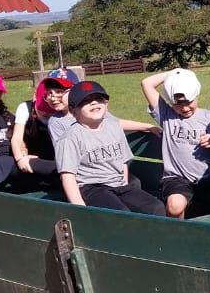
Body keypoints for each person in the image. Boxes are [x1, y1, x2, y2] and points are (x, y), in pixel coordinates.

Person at [55, 80, 163, 214]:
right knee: (119, 214)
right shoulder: (70, 138)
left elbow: (123, 161)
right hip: (92, 188)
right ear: (73, 111)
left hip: (119, 185)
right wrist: (79, 208)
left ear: (106, 104)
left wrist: (124, 184)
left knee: (155, 207)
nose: (94, 103)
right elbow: (68, 176)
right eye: (85, 101)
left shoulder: (114, 127)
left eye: (98, 99)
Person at [140, 67, 210, 218]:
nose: (184, 108)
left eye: (189, 102)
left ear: (196, 95)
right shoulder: (167, 115)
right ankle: (177, 232)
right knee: (175, 205)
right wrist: (174, 73)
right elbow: (147, 83)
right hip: (177, 179)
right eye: (178, 104)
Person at [12, 68, 78, 178]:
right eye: (49, 93)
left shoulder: (78, 112)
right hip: (43, 158)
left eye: (59, 92)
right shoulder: (28, 108)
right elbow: (17, 137)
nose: (53, 98)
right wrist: (20, 158)